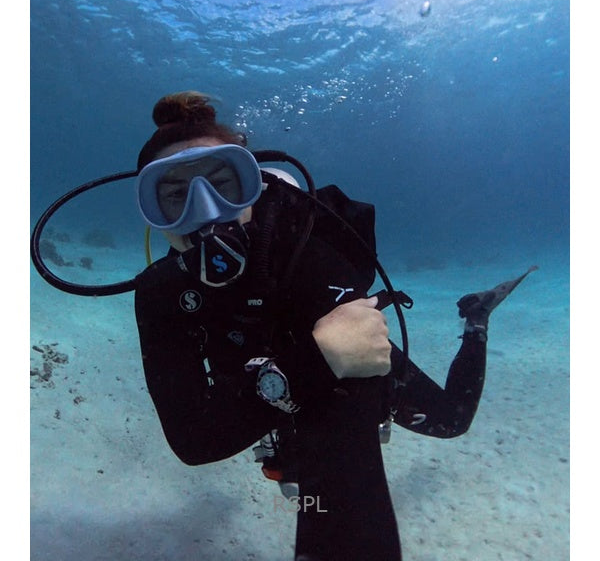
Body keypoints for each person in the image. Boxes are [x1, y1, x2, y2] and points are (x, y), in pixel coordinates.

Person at [132, 90, 535, 561]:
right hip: (288, 372)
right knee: (296, 469)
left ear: (252, 186)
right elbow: (194, 442)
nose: (205, 210)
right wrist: (312, 363)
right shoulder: (162, 291)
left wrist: (324, 369)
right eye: (175, 196)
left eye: (224, 185)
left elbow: (348, 401)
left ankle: (477, 318)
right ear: (153, 215)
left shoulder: (305, 249)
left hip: (328, 360)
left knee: (451, 421)